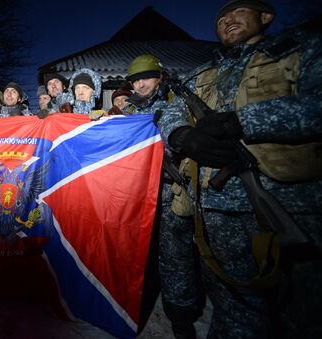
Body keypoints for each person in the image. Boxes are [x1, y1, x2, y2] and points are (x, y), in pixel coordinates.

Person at [158, 1, 322, 337]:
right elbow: (171, 111)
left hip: (292, 204)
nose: (227, 20)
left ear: (266, 17)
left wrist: (242, 122)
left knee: (304, 313)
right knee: (235, 309)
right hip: (217, 208)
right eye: (220, 18)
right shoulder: (202, 73)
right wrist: (182, 136)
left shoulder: (304, 49)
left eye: (238, 12)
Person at [123, 54, 203, 339]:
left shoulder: (175, 102)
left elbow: (180, 141)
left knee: (175, 255)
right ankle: (140, 299)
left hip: (170, 190)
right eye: (135, 79)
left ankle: (181, 313)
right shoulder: (128, 112)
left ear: (159, 78)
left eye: (145, 77)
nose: (140, 83)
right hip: (137, 194)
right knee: (140, 252)